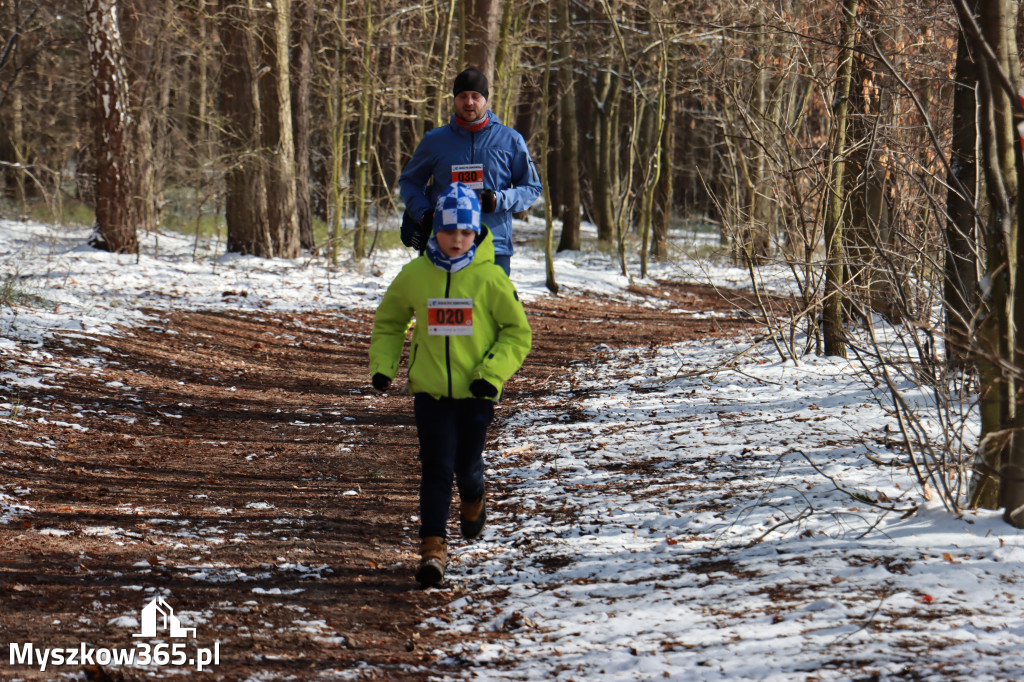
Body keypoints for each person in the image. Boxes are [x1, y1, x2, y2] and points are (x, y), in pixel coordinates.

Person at [370, 182, 532, 587]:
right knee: (437, 466)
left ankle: (475, 496)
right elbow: (389, 322)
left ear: (476, 232)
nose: (457, 239)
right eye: (448, 231)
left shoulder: (490, 280)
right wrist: (384, 366)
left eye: (465, 232)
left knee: (466, 465)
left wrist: (490, 375)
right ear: (435, 232)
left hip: (477, 392)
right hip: (430, 391)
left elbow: (517, 333)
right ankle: (433, 549)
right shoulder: (414, 276)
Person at [399, 68, 542, 276]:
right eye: (463, 96)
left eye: (476, 96)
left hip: (494, 247)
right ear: (454, 99)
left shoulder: (510, 140)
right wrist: (423, 214)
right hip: (443, 246)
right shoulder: (434, 141)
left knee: (491, 309)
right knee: (446, 308)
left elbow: (531, 188)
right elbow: (410, 182)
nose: (469, 102)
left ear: (485, 99)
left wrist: (498, 199)